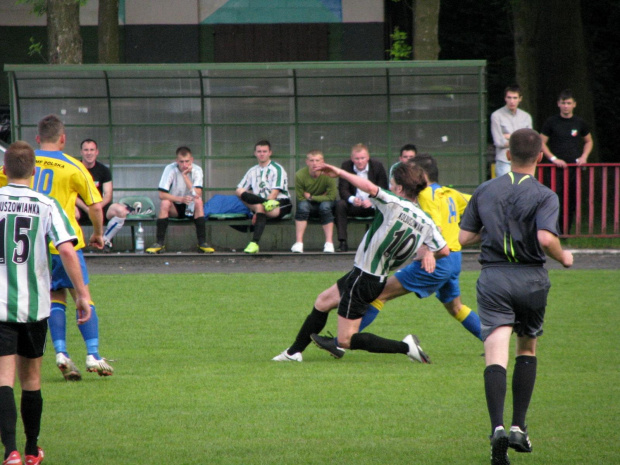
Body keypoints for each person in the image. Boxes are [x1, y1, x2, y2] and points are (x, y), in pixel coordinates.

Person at [458, 128, 573, 465]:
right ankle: (519, 426)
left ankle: (496, 427)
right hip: (531, 279)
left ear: (507, 155)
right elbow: (544, 237)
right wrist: (564, 257)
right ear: (540, 157)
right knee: (527, 347)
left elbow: (464, 237)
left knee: (496, 354)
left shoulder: (484, 190)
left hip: (494, 276)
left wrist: (490, 228)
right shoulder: (545, 194)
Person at [272, 161, 448, 363]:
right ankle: (293, 352)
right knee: (323, 301)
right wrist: (428, 254)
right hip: (370, 276)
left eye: (391, 184)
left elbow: (369, 188)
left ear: (400, 188)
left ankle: (406, 347)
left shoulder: (394, 203)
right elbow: (443, 249)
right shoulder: (426, 221)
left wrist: (339, 172)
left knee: (346, 340)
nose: (389, 187)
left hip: (364, 279)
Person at [0, 115, 114, 380]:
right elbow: (96, 206)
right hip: (63, 241)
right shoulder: (73, 166)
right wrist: (98, 234)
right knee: (82, 296)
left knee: (54, 298)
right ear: (63, 139)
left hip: (32, 247)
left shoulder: (24, 161)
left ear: (38, 138)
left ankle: (61, 353)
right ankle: (93, 354)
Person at [0, 141, 93, 465]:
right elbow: (67, 249)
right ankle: (30, 450)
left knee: (3, 378)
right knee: (31, 380)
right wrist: (82, 295)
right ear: (35, 171)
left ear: (3, 170)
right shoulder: (45, 203)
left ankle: (9, 451)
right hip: (35, 305)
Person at [333, 154, 480, 356]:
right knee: (456, 307)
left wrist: (429, 251)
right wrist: (474, 237)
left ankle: (341, 342)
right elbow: (480, 204)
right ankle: (491, 341)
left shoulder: (426, 195)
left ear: (422, 174)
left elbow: (433, 226)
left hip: (437, 261)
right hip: (454, 260)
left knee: (380, 293)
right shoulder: (450, 193)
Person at [540, 89, 593, 234]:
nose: (566, 106)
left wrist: (584, 157)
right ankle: (552, 229)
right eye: (563, 103)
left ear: (574, 104)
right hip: (556, 169)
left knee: (572, 200)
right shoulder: (551, 122)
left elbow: (588, 141)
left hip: (574, 168)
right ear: (558, 104)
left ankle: (566, 231)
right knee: (554, 199)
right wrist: (553, 159)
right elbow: (542, 142)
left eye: (568, 103)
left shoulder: (579, 122)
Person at [146, 146, 214, 254]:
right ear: (177, 161)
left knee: (199, 201)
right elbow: (162, 194)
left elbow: (198, 194)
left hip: (191, 208)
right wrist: (180, 199)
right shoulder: (170, 169)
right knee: (165, 203)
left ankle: (202, 243)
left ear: (191, 160)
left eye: (187, 161)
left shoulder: (197, 170)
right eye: (181, 162)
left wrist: (185, 176)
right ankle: (159, 243)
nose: (184, 165)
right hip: (176, 207)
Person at [235, 140, 292, 254]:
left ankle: (254, 242)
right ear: (255, 153)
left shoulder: (277, 168)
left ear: (270, 152)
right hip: (261, 204)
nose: (262, 154)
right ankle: (254, 244)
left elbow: (275, 193)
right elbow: (240, 189)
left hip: (280, 203)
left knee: (261, 207)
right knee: (239, 191)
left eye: (264, 151)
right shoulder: (252, 170)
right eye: (259, 151)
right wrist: (261, 205)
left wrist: (258, 209)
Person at [76, 138, 132, 252]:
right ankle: (75, 244)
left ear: (97, 152)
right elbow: (72, 195)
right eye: (86, 150)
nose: (89, 153)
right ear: (81, 152)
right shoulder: (74, 169)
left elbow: (108, 195)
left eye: (92, 150)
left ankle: (104, 240)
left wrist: (96, 208)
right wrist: (87, 208)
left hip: (99, 207)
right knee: (67, 212)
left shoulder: (104, 170)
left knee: (121, 210)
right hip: (80, 207)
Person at [334, 143, 388, 252]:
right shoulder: (346, 166)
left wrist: (373, 201)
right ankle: (342, 242)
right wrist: (352, 199)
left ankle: (379, 244)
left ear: (368, 157)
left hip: (373, 206)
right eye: (357, 158)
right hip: (354, 205)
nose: (359, 161)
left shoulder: (377, 166)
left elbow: (383, 189)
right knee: (340, 205)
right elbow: (342, 189)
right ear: (352, 159)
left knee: (386, 207)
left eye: (362, 158)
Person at [290, 150, 337, 253]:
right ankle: (299, 243)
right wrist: (321, 196)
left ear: (322, 162)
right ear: (307, 162)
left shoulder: (328, 174)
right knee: (302, 207)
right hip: (308, 205)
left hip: (323, 203)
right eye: (311, 160)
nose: (314, 163)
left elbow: (332, 196)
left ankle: (329, 243)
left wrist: (312, 197)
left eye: (317, 160)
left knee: (325, 207)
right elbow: (300, 197)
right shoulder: (300, 175)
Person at [490, 85, 533, 177]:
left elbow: (530, 141)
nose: (512, 101)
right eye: (509, 97)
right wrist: (521, 139)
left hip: (523, 162)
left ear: (520, 99)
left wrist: (510, 136)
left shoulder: (526, 117)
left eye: (515, 98)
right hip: (504, 161)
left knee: (524, 190)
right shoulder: (496, 115)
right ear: (505, 98)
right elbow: (499, 142)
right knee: (506, 190)